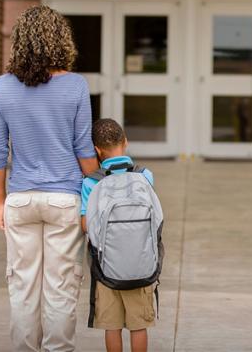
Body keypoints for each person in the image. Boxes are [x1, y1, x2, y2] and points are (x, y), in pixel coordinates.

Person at [0, 5, 99, 351]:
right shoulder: (76, 86)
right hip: (64, 199)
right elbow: (83, 151)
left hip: (20, 199)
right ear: (60, 40)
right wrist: (101, 185)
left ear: (19, 41)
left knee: (22, 288)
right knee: (61, 288)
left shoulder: (1, 87)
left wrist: (0, 202)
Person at [80, 119, 155, 352]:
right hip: (141, 265)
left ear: (96, 150)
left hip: (107, 268)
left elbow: (85, 225)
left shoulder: (91, 182)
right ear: (125, 142)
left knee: (112, 326)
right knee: (138, 325)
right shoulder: (145, 176)